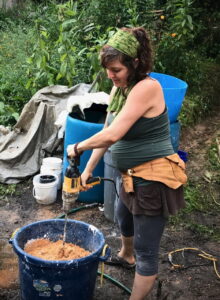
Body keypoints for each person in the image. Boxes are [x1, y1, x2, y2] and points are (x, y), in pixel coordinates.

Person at [67, 27, 187, 300]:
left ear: (135, 63)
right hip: (130, 175)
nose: (111, 75)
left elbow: (113, 134)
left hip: (153, 179)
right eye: (108, 70)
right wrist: (86, 168)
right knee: (123, 218)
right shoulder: (120, 88)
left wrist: (77, 147)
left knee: (147, 250)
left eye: (117, 69)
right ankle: (125, 255)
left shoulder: (147, 88)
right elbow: (107, 132)